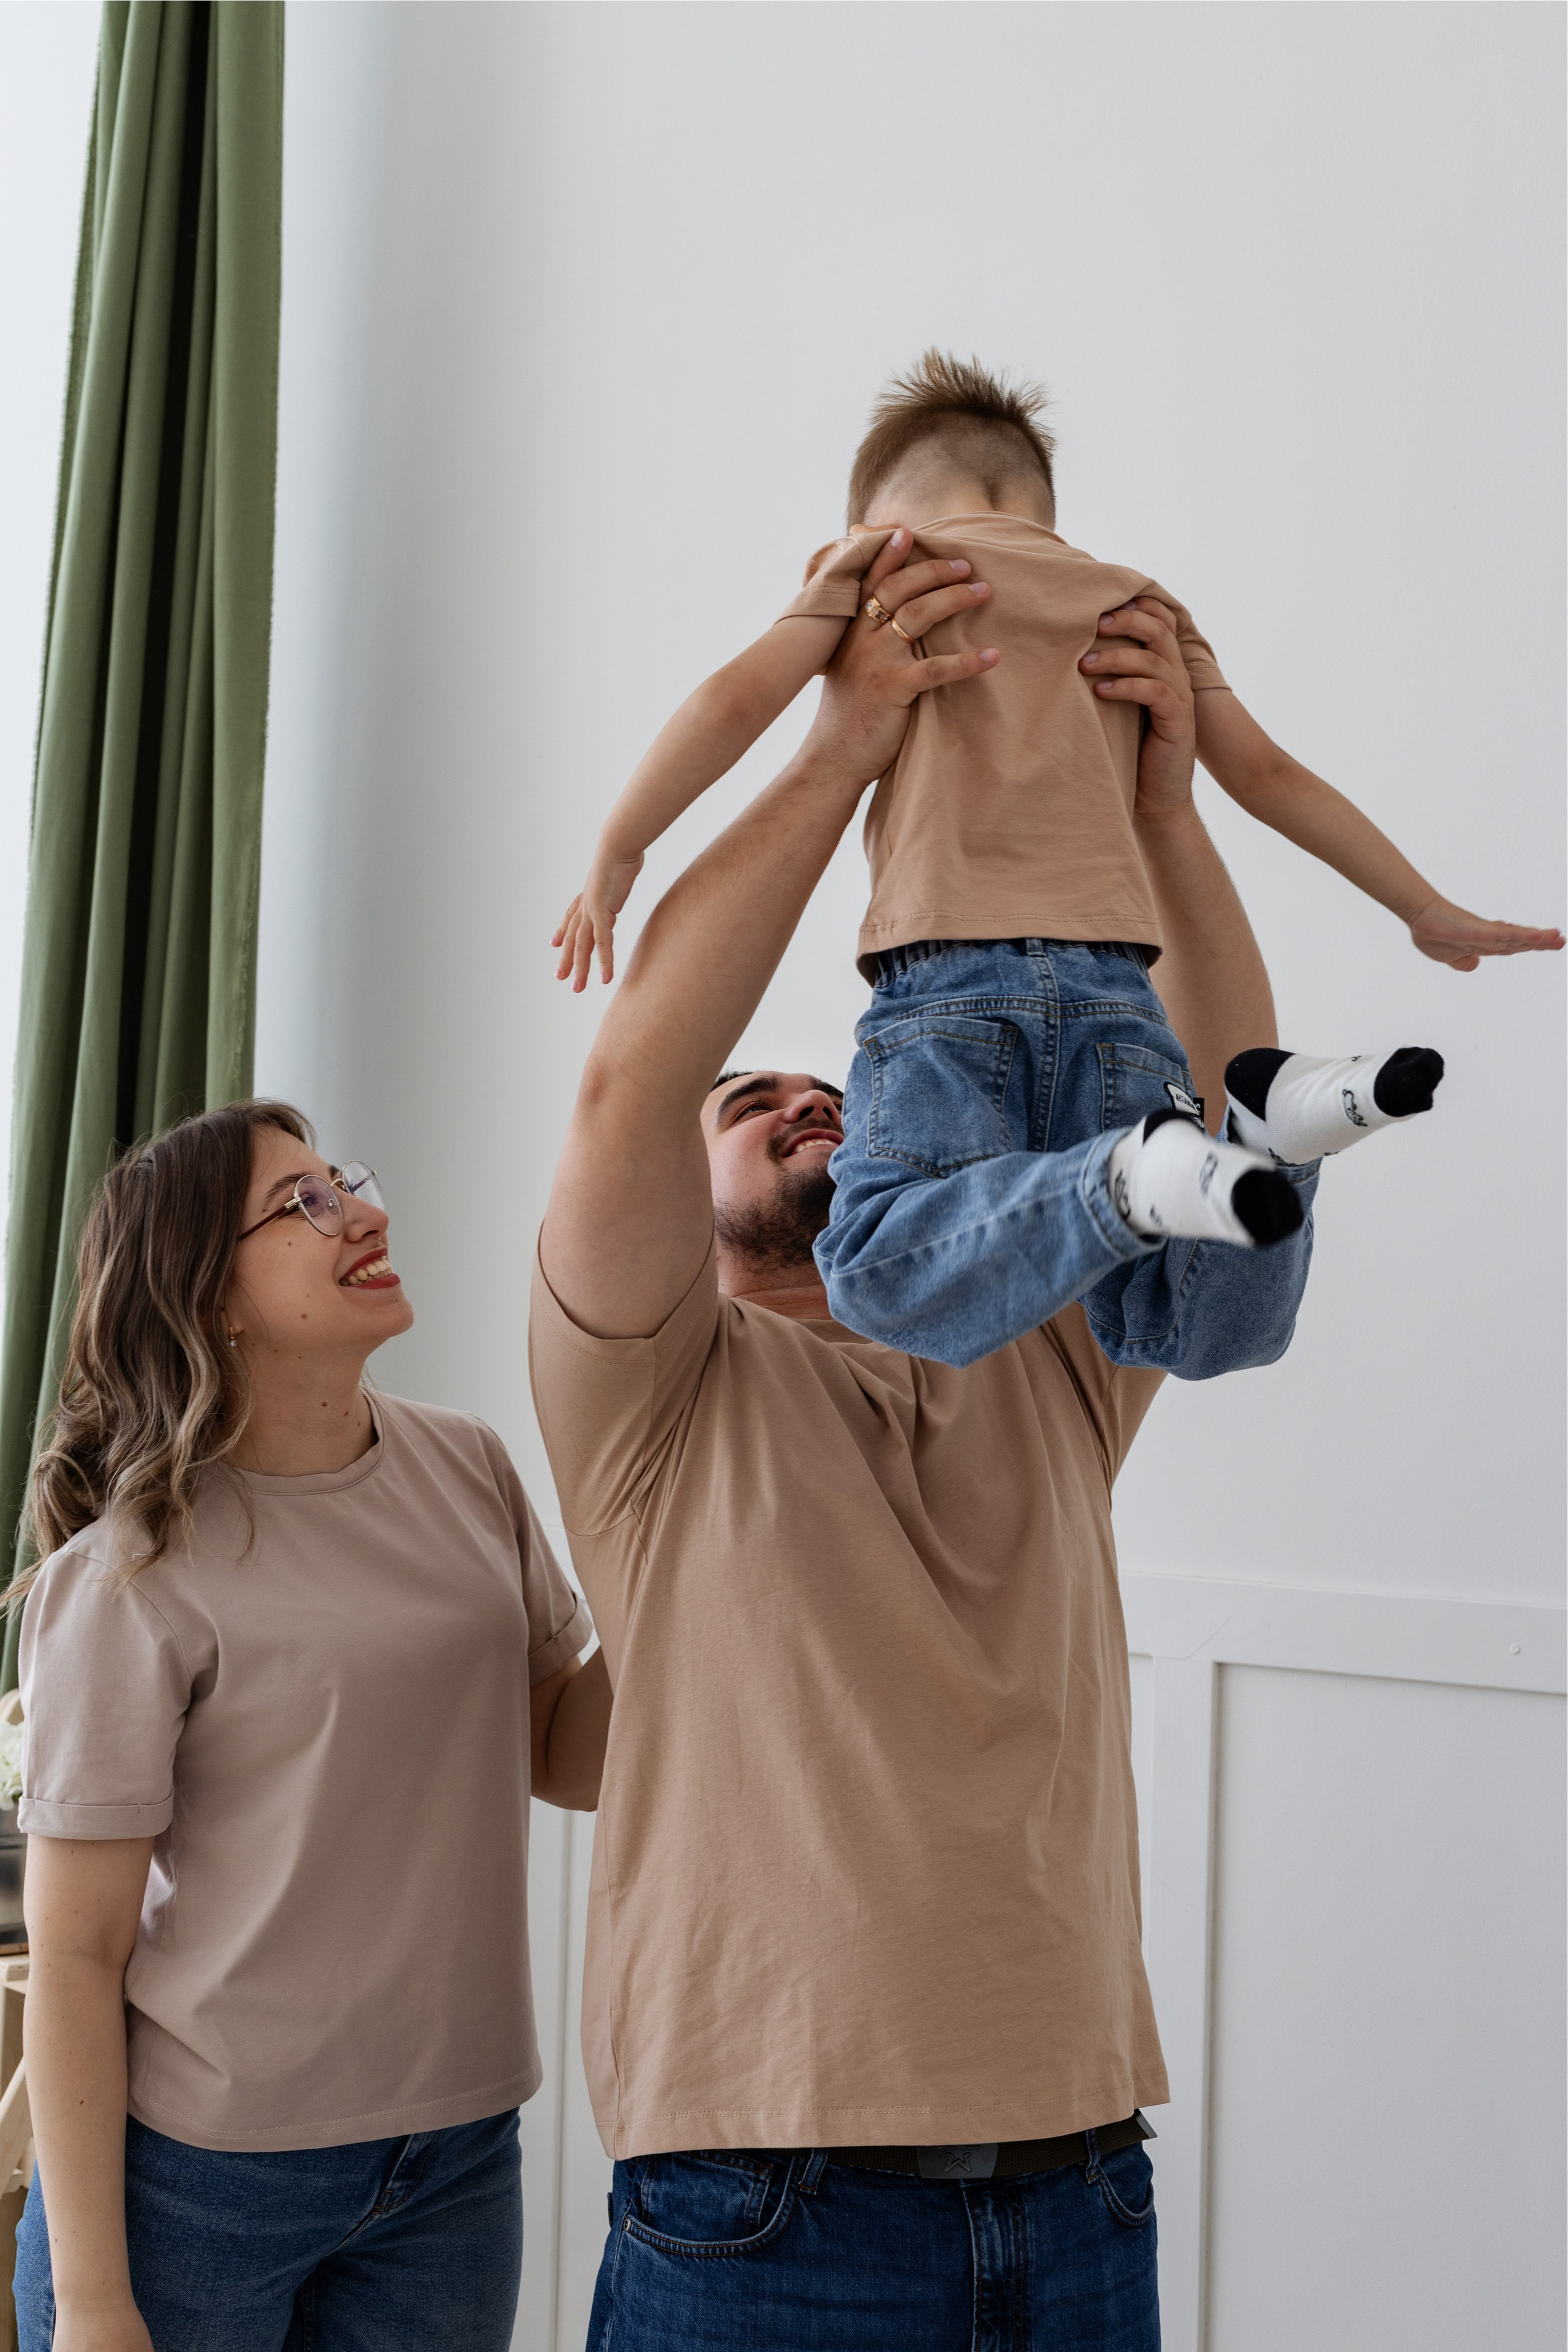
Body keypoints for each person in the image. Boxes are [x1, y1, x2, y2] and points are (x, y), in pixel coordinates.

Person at [530, 550, 1322, 2348]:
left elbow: (1214, 1103)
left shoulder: (1036, 1347)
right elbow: (636, 1075)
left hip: (1079, 2179)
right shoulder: (649, 1392)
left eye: (839, 1090)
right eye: (758, 1107)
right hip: (761, 2199)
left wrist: (1160, 815)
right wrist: (842, 750)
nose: (807, 1097)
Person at [551, 356, 1561, 1365]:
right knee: (1183, 1326)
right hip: (1122, 1002)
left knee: (864, 1266)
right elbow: (1268, 773)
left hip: (950, 991)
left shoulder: (883, 570)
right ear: (1042, 506)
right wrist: (1423, 908)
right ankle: (1268, 1140)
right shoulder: (1136, 604)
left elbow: (731, 701)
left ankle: (1129, 1174)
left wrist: (618, 847)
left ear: (871, 515)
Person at [11, 1100, 609, 2352]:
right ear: (209, 1297)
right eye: (305, 1204)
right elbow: (75, 1960)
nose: (367, 1213)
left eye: (348, 1182)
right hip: (200, 2182)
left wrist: (696, 1590)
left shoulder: (470, 1468)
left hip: (456, 2158)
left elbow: (565, 1751)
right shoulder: (128, 1572)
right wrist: (92, 2301)